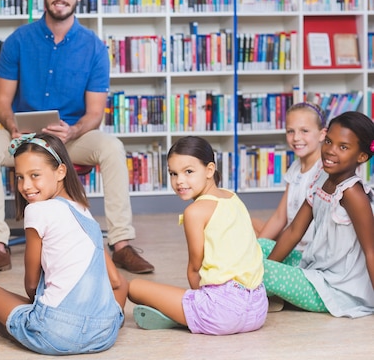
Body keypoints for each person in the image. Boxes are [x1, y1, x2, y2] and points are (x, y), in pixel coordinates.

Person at [0, 0, 153, 277]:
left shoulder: (94, 48)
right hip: (24, 135)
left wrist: (74, 130)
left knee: (112, 147)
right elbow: (2, 102)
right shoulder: (17, 41)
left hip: (72, 137)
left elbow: (94, 113)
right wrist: (12, 126)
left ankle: (122, 243)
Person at [0, 133, 127, 355]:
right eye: (19, 177)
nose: (25, 186)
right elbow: (116, 281)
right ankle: (100, 320)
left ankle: (26, 330)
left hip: (56, 333)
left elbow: (30, 285)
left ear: (61, 171)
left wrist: (37, 311)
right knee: (117, 290)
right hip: (104, 335)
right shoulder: (85, 212)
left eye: (34, 175)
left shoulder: (37, 210)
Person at [128, 136, 268, 335]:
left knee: (134, 287)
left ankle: (186, 318)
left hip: (223, 314)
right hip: (257, 309)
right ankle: (184, 316)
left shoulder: (194, 212)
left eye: (189, 172)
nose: (180, 181)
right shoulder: (232, 197)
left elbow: (194, 269)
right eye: (173, 174)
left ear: (210, 170)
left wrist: (200, 301)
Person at [262, 111, 374, 318]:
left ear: (362, 156)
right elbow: (294, 230)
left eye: (343, 147)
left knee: (256, 269)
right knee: (258, 248)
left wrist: (264, 272)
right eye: (329, 141)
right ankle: (263, 294)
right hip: (316, 268)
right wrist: (268, 267)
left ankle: (241, 299)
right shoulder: (322, 177)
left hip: (337, 289)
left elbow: (371, 251)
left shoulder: (353, 193)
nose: (330, 151)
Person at [253, 102, 326, 259]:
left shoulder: (324, 170)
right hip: (292, 242)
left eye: (304, 131)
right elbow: (280, 217)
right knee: (248, 223)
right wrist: (256, 248)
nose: (296, 138)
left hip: (308, 252)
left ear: (322, 134)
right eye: (290, 131)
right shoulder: (295, 166)